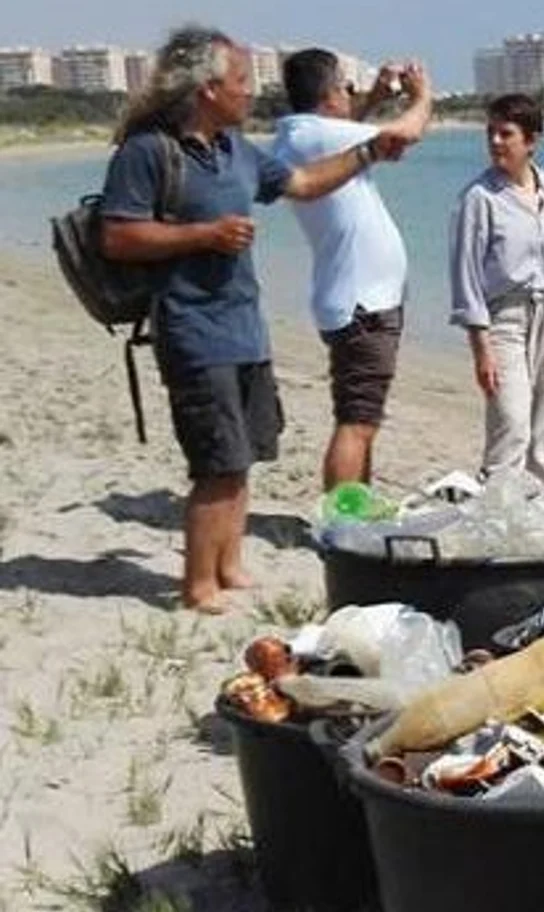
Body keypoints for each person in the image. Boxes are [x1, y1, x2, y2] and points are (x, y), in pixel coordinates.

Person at [100, 25, 411, 614]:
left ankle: (229, 564)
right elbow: (117, 235)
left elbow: (302, 182)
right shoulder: (149, 150)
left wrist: (369, 149)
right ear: (209, 88)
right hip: (193, 327)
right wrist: (203, 234)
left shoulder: (234, 149)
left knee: (243, 455)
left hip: (245, 323)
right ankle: (197, 586)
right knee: (216, 461)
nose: (251, 92)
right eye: (242, 81)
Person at [272, 49, 432, 490]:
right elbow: (406, 132)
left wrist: (378, 96)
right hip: (363, 301)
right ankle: (342, 523)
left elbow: (350, 126)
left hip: (356, 296)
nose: (352, 94)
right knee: (357, 422)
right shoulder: (317, 136)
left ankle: (354, 508)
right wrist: (422, 96)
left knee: (361, 418)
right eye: (346, 87)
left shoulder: (300, 135)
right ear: (327, 95)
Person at [449, 93, 544, 490]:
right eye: (491, 134)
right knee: (512, 422)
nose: (496, 142)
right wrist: (480, 348)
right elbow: (465, 274)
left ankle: (540, 514)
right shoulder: (479, 198)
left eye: (506, 134)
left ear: (532, 141)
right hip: (506, 319)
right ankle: (498, 515)